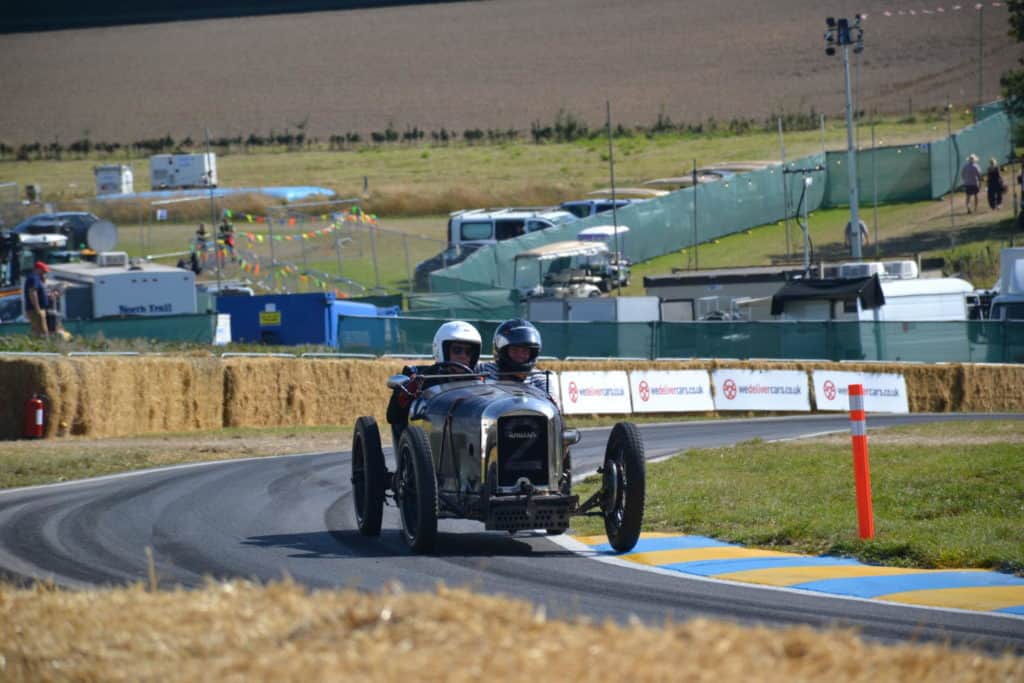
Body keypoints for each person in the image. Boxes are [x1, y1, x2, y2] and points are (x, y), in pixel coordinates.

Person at [386, 320, 482, 444]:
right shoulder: (420, 377)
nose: (463, 356)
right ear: (442, 350)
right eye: (457, 350)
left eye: (468, 352)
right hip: (427, 442)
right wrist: (409, 390)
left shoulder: (479, 381)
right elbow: (393, 416)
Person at [478, 318, 552, 395]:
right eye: (514, 350)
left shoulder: (538, 379)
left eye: (525, 351)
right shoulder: (484, 370)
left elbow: (552, 404)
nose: (520, 355)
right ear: (502, 351)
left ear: (533, 353)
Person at [22, 261, 50, 337]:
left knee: (36, 331)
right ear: (37, 269)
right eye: (43, 271)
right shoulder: (33, 278)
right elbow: (32, 293)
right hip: (36, 309)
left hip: (39, 309)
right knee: (43, 332)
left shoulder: (37, 279)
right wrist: (37, 308)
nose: (44, 273)